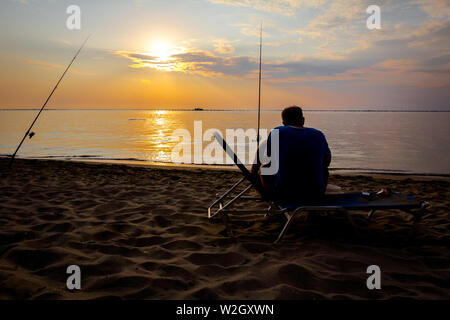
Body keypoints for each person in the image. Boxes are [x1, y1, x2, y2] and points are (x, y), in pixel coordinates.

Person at [251, 106, 331, 203]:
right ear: (303, 120)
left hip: (286, 194)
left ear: (284, 123)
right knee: (324, 170)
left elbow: (267, 159)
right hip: (315, 194)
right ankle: (312, 213)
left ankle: (269, 198)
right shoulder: (318, 134)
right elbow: (327, 161)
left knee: (266, 169)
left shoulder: (278, 132)